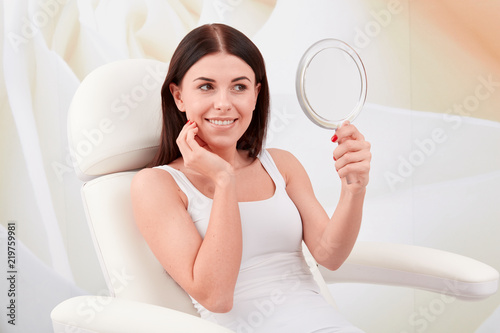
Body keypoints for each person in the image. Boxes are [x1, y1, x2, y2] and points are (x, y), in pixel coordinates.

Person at [131, 23, 371, 333]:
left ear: (256, 94)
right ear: (178, 96)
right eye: (206, 87)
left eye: (239, 87)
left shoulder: (281, 165)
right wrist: (223, 180)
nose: (224, 103)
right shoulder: (157, 185)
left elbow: (330, 255)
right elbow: (217, 297)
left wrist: (354, 188)